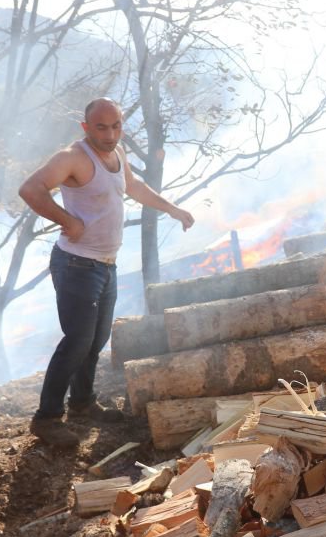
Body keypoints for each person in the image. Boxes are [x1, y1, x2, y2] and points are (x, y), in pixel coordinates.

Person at [18, 98, 195, 447]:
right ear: (86, 127)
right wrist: (66, 220)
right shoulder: (72, 157)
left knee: (96, 341)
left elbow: (134, 187)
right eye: (101, 127)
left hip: (106, 265)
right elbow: (30, 189)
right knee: (77, 341)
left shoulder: (116, 155)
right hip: (76, 265)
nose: (110, 134)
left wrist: (173, 209)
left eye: (116, 126)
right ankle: (47, 418)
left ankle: (82, 404)